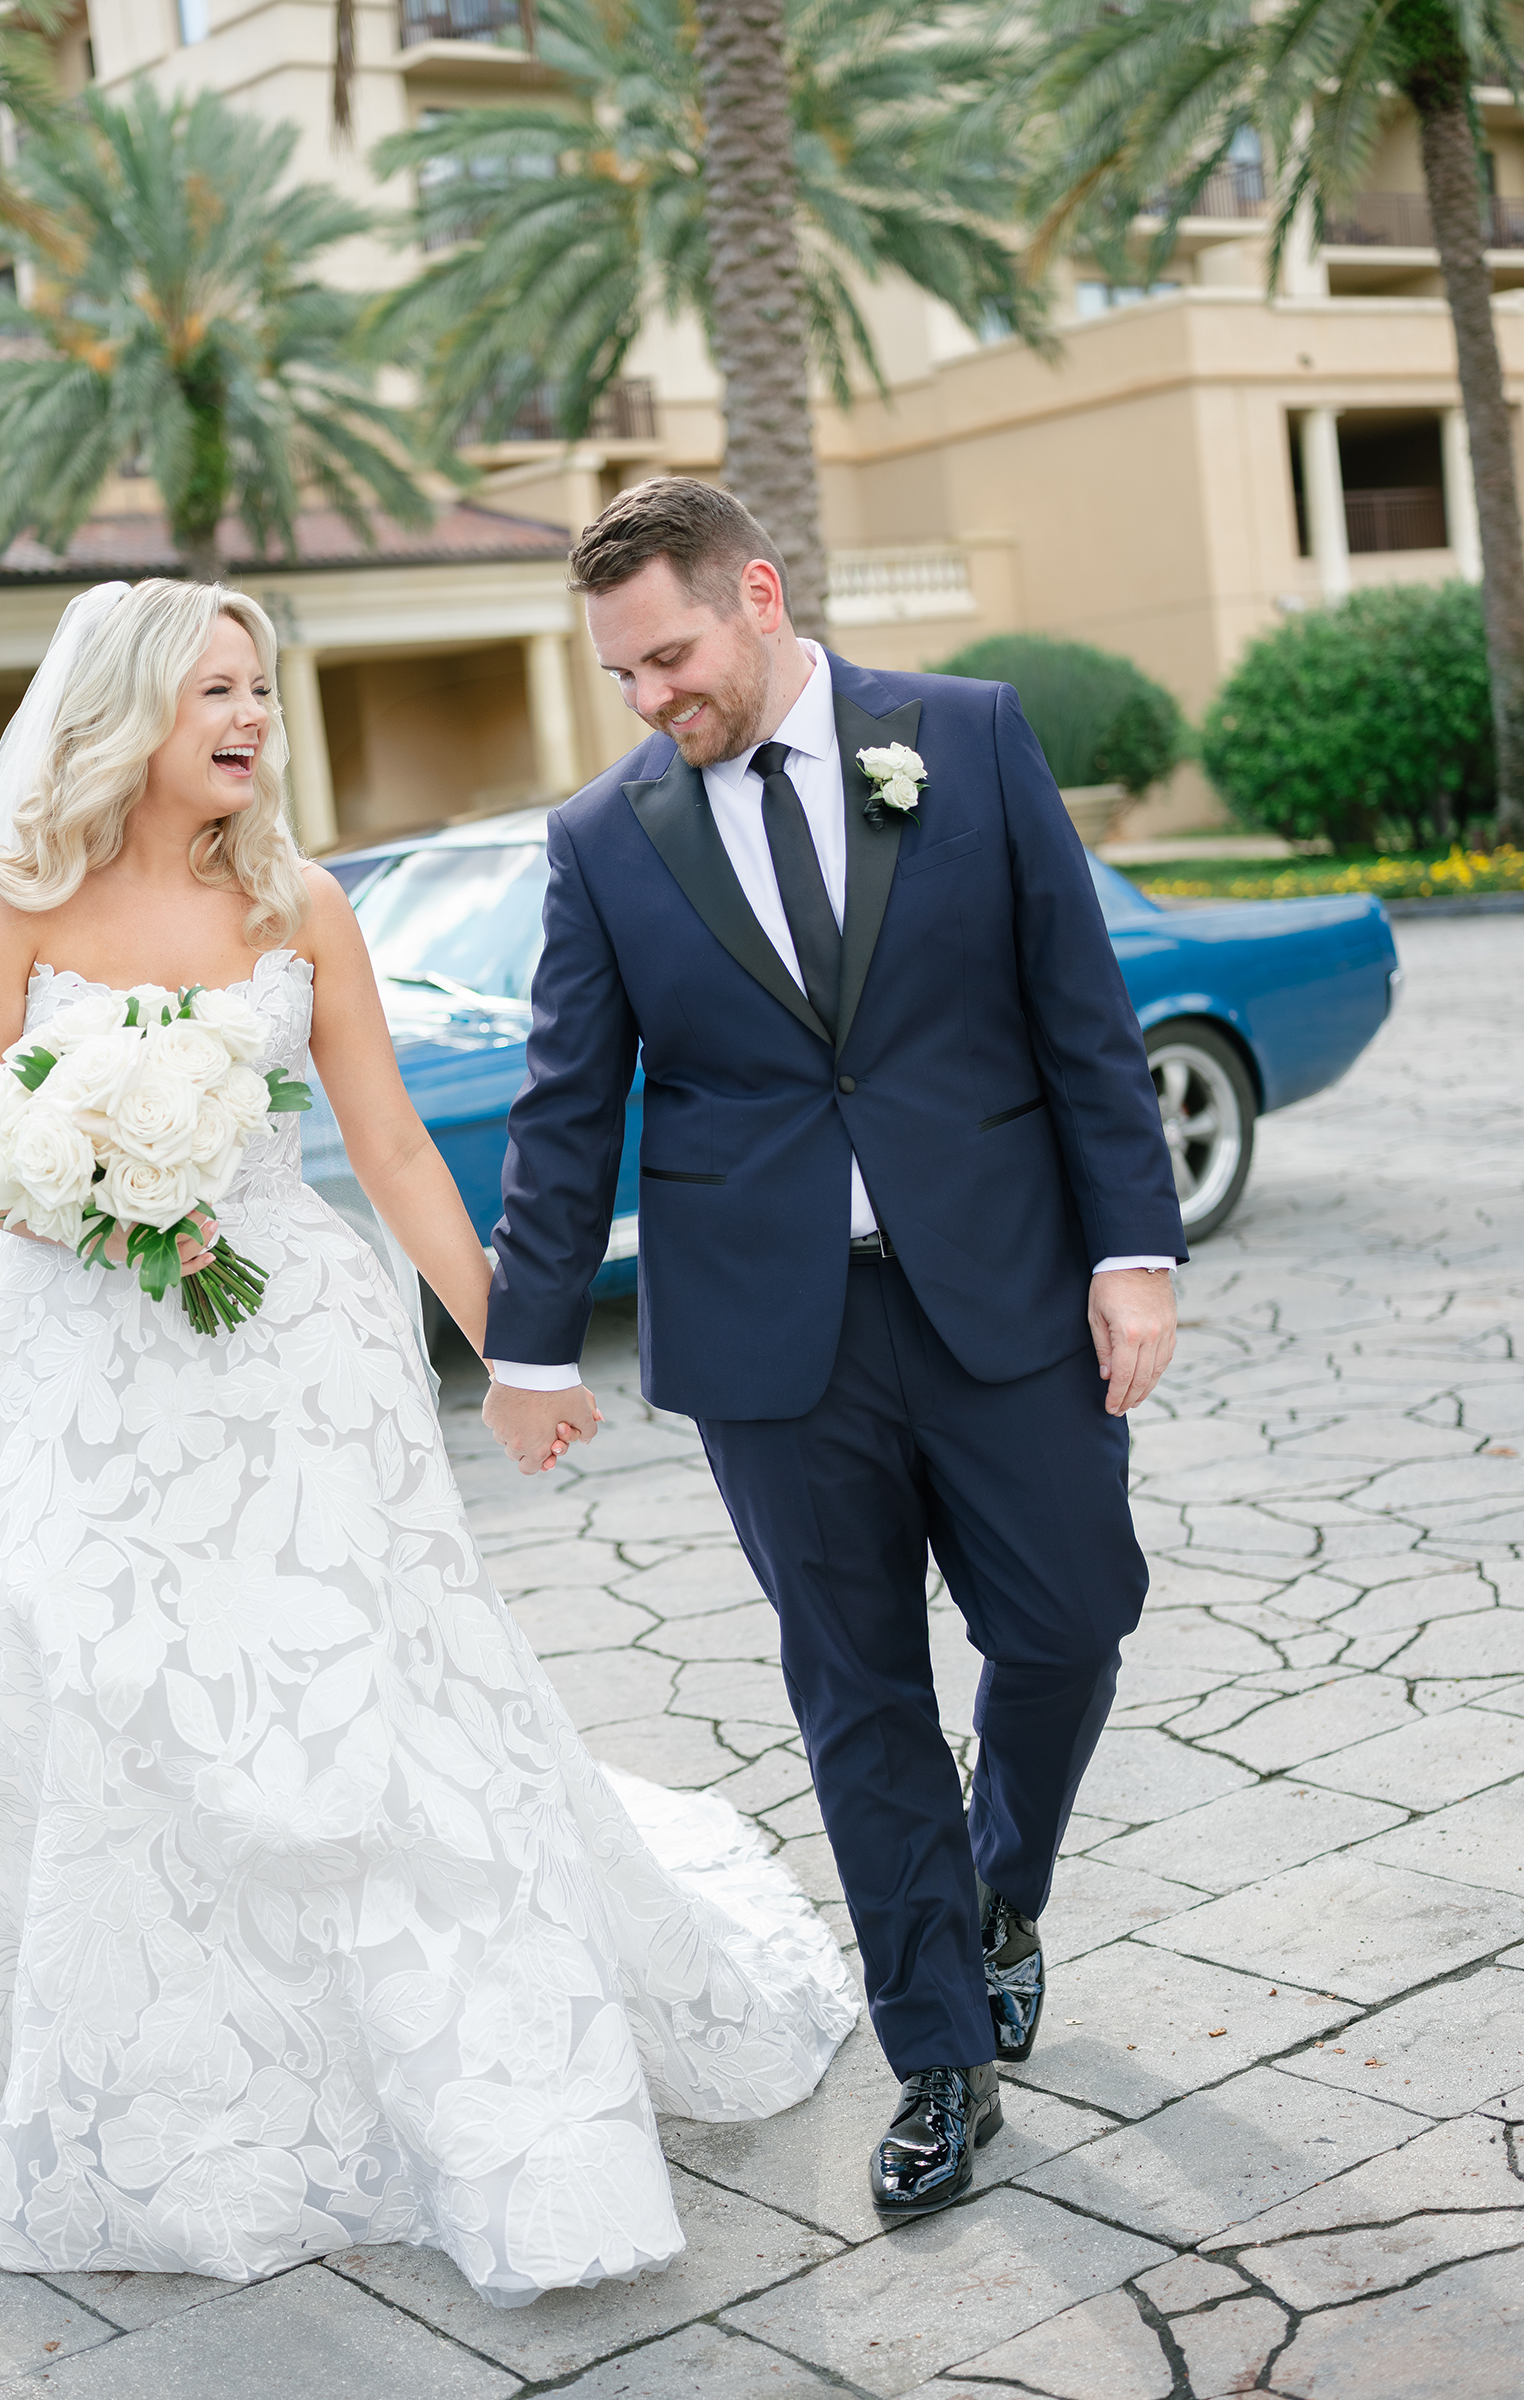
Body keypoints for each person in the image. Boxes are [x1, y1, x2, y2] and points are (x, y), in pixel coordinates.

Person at [0, 576, 855, 2305]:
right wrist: (91, 1184)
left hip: (299, 1363)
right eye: (210, 691)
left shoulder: (301, 904)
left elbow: (388, 1150)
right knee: (116, 1692)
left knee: (366, 1699)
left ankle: (467, 2071)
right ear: (124, 713)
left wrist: (515, 1346)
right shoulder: (10, 909)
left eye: (260, 687)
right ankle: (175, 2072)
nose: (248, 716)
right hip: (98, 1375)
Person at [481, 478, 1185, 2219]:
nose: (651, 697)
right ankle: (940, 2054)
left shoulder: (969, 738)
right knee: (856, 1694)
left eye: (670, 654)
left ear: (761, 595)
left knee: (1074, 1613)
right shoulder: (604, 838)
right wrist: (529, 1345)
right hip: (769, 1339)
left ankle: (1001, 1885)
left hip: (1006, 1291)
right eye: (620, 674)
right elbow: (571, 1104)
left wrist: (1135, 1249)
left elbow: (1079, 1013)